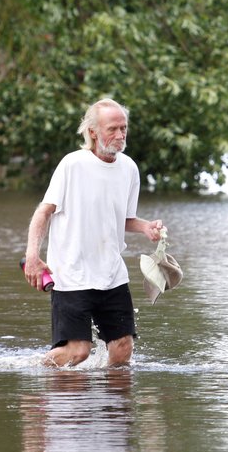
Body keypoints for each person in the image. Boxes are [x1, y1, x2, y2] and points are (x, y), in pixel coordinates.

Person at [24, 97, 164, 368]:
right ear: (92, 132)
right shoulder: (72, 165)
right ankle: (37, 376)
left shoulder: (129, 168)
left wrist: (145, 227)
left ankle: (109, 408)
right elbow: (44, 212)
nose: (120, 135)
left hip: (112, 273)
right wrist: (32, 255)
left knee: (123, 350)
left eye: (123, 128)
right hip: (71, 275)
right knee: (78, 351)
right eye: (112, 129)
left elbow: (123, 218)